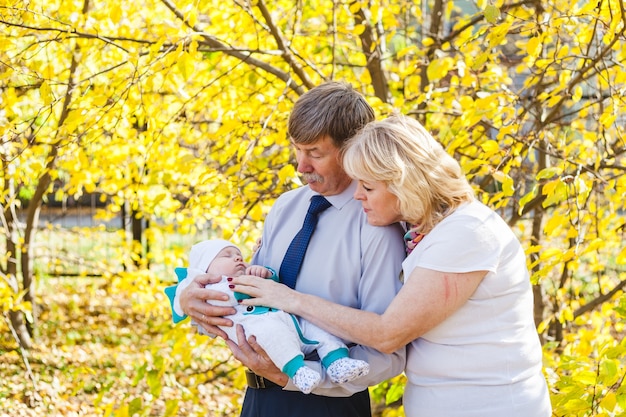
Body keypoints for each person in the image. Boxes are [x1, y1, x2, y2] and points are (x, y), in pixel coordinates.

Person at [231, 114, 553, 417]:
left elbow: (387, 335)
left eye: (368, 186)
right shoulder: (426, 235)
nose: (357, 196)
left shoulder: (466, 233)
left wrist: (290, 300)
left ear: (404, 184)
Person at [173, 82, 407, 417]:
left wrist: (296, 378)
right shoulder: (285, 208)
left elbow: (389, 351)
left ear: (352, 149)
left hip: (330, 406)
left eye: (315, 153)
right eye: (297, 149)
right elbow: (249, 302)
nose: (301, 166)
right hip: (258, 401)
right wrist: (193, 304)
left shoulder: (377, 226)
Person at [164, 239, 371, 394]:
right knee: (277, 339)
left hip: (292, 321)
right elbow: (224, 300)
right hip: (263, 332)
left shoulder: (245, 274)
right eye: (226, 255)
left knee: (320, 330)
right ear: (205, 269)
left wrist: (265, 274)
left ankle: (337, 362)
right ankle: (298, 371)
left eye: (238, 255)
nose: (237, 258)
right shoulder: (212, 290)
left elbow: (275, 283)